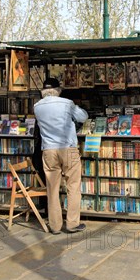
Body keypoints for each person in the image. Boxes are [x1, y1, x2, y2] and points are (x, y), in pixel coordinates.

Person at [34, 77, 88, 235]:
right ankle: (72, 224)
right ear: (58, 90)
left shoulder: (37, 107)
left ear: (43, 91)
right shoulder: (67, 103)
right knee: (73, 186)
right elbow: (82, 117)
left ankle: (55, 226)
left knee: (52, 189)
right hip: (68, 148)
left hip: (49, 150)